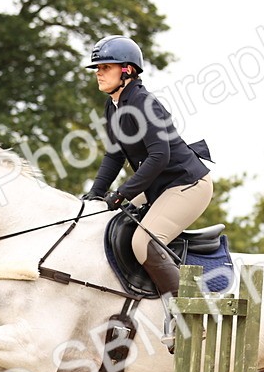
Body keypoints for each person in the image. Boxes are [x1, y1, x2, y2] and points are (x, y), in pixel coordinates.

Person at [81, 35, 213, 352]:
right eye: (97, 68)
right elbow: (114, 155)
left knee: (144, 241)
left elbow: (159, 157)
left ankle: (186, 316)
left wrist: (122, 193)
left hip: (187, 185)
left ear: (127, 70)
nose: (98, 72)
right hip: (159, 187)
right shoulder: (113, 107)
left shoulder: (144, 104)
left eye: (105, 67)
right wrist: (95, 196)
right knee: (103, 219)